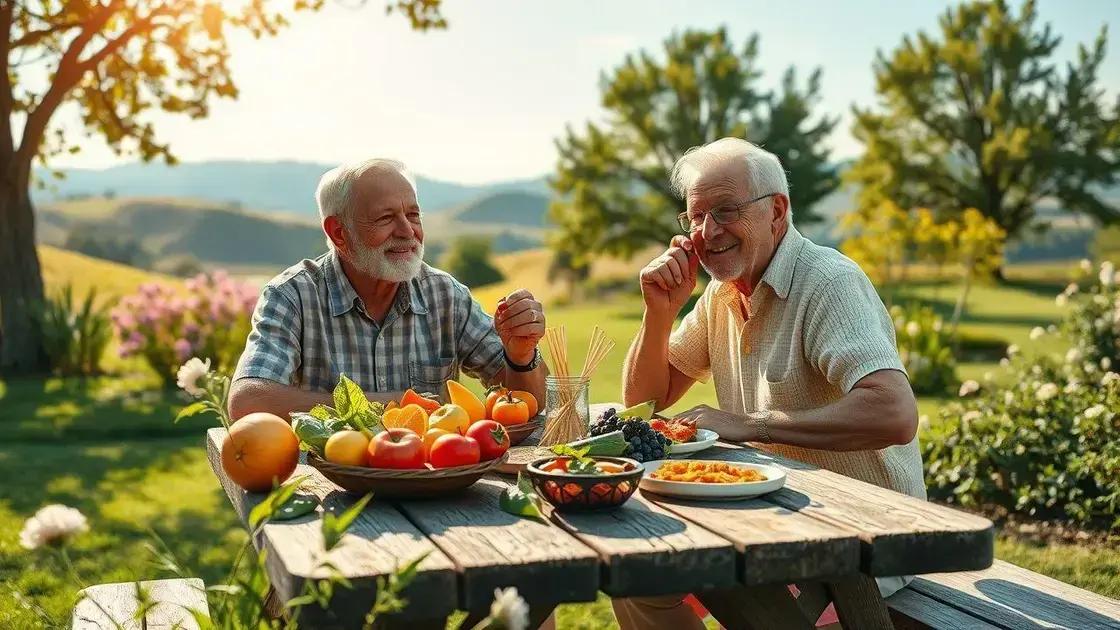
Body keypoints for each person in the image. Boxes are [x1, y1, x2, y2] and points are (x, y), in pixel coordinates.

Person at [614, 138, 924, 629]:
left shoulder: (827, 284)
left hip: (864, 536)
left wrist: (752, 425)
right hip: (774, 521)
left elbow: (894, 413)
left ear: (777, 210)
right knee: (639, 580)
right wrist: (659, 312)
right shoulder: (721, 294)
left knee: (754, 608)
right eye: (694, 217)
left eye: (725, 211)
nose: (706, 232)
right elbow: (643, 403)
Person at [227, 158, 546, 420]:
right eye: (385, 218)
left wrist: (520, 356)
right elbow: (248, 402)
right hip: (330, 490)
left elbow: (531, 402)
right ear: (339, 233)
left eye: (413, 215)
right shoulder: (292, 296)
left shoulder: (445, 296)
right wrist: (387, 404)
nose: (407, 231)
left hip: (434, 487)